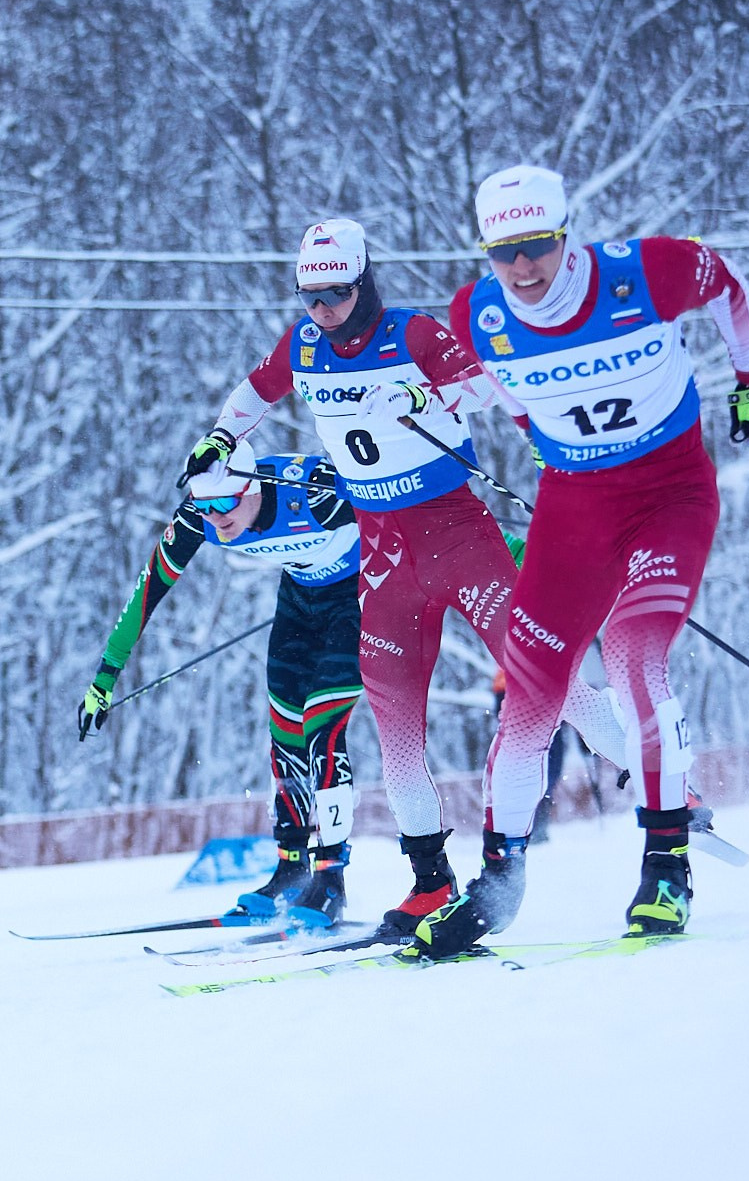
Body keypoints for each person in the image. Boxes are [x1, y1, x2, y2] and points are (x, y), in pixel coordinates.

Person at [179, 217, 630, 939]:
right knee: (396, 737)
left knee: (548, 674)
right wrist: (221, 438)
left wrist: (427, 399)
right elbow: (253, 391)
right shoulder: (302, 346)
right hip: (383, 559)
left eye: (336, 292)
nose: (322, 309)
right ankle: (429, 883)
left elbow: (489, 381)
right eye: (309, 296)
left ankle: (662, 781)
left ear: (364, 281)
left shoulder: (412, 333)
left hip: (457, 534)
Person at [414, 165, 749, 954]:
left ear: (566, 231)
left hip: (670, 492)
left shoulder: (641, 271)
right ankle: (496, 882)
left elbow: (729, 286)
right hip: (574, 505)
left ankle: (666, 867)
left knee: (634, 655)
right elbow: (509, 391)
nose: (524, 268)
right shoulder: (476, 313)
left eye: (538, 245)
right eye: (503, 251)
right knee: (530, 692)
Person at [78, 442, 362, 929]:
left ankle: (330, 878)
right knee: (286, 733)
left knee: (322, 725)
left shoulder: (316, 493)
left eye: (225, 503)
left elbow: (417, 515)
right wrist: (104, 678)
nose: (215, 518)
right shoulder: (200, 515)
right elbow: (148, 591)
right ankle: (290, 872)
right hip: (299, 600)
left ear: (252, 488)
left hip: (358, 598)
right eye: (204, 505)